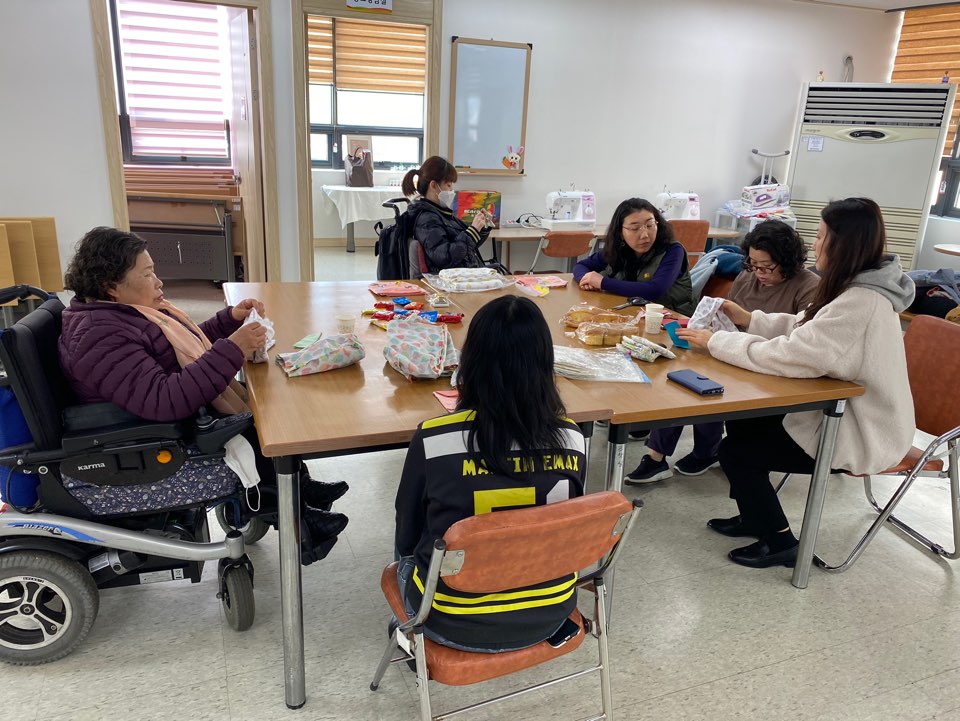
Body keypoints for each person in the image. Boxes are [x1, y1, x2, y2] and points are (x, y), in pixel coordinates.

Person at [59, 227, 348, 565]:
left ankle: (300, 488)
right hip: (143, 439)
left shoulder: (119, 315)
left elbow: (186, 348)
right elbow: (164, 400)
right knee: (257, 422)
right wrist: (232, 350)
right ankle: (299, 516)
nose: (159, 282)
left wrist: (229, 321)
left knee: (261, 407)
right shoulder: (100, 336)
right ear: (111, 285)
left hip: (152, 418)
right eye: (148, 274)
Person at [676, 198, 916, 569]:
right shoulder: (852, 287)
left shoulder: (861, 302)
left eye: (821, 236)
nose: (815, 244)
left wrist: (717, 342)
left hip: (860, 430)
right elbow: (806, 328)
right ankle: (755, 516)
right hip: (835, 412)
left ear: (843, 244)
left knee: (737, 453)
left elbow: (794, 354)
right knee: (744, 423)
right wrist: (750, 319)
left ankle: (781, 542)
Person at [394, 295, 586, 651]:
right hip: (551, 610)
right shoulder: (573, 438)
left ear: (470, 361)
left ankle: (408, 630)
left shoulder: (434, 438)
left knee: (408, 541)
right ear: (545, 364)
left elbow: (407, 528)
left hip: (451, 619)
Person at [625, 220, 820, 483]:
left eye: (766, 267)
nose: (758, 272)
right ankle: (657, 455)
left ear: (788, 260)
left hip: (772, 364)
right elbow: (730, 322)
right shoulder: (748, 276)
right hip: (736, 351)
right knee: (684, 373)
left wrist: (733, 334)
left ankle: (706, 451)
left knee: (709, 383)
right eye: (753, 264)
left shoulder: (809, 287)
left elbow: (798, 341)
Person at [573, 198, 695, 316]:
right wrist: (587, 280)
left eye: (650, 225)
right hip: (632, 314)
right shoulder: (618, 249)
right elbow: (581, 265)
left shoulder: (673, 251)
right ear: (620, 233)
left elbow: (655, 290)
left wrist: (602, 282)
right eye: (635, 228)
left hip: (671, 320)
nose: (645, 235)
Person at [401, 156, 492, 275]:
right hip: (453, 280)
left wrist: (482, 227)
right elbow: (444, 257)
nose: (452, 191)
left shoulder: (442, 214)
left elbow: (468, 246)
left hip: (463, 275)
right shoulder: (427, 220)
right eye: (448, 185)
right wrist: (473, 230)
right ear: (434, 186)